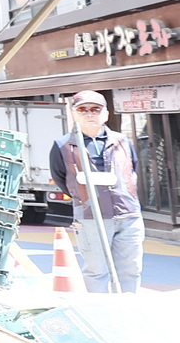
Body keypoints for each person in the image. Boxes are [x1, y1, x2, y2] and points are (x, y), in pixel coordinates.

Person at [49, 90, 144, 293]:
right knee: (96, 271)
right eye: (82, 109)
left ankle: (127, 312)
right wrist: (85, 198)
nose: (89, 114)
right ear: (73, 113)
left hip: (128, 214)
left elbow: (133, 170)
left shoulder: (122, 141)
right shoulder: (63, 145)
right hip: (90, 216)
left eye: (95, 109)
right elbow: (61, 178)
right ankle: (101, 314)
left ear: (106, 114)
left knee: (130, 269)